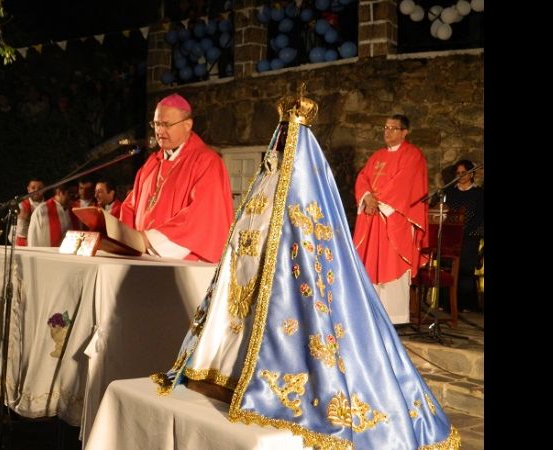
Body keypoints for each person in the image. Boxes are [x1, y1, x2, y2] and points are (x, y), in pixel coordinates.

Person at [152, 93, 459, 449]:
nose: (282, 144)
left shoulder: (314, 191)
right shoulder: (268, 181)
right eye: (280, 135)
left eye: (289, 137)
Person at [119, 93, 233, 263]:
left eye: (166, 124)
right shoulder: (151, 164)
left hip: (182, 265)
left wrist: (148, 240)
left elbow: (202, 217)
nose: (159, 131)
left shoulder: (207, 162)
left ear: (187, 125)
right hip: (141, 260)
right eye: (156, 124)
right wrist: (122, 237)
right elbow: (130, 207)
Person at [352, 114, 429, 324]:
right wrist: (367, 197)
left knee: (391, 263)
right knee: (371, 263)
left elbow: (404, 184)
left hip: (396, 219)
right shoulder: (377, 156)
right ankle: (371, 314)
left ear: (405, 132)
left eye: (393, 128)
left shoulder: (413, 155)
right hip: (373, 218)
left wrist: (377, 201)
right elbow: (363, 178)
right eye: (385, 127)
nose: (387, 131)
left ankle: (395, 317)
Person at [444, 159, 484, 312]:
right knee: (448, 268)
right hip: (451, 236)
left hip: (470, 236)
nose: (461, 175)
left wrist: (464, 232)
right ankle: (447, 303)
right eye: (458, 173)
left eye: (464, 172)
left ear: (472, 174)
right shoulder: (449, 192)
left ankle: (466, 304)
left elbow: (479, 216)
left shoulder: (479, 193)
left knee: (466, 269)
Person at [11, 177, 45, 246]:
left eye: (39, 188)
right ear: (28, 189)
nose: (36, 191)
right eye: (33, 188)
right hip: (21, 245)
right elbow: (16, 233)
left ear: (44, 189)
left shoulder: (48, 206)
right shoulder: (21, 205)